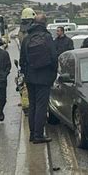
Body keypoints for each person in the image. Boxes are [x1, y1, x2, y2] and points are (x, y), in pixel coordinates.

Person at [20, 14, 57, 144]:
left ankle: (32, 134)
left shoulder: (26, 38)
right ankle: (39, 135)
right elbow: (53, 57)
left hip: (30, 77)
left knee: (33, 105)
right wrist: (53, 74)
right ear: (45, 24)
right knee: (42, 106)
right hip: (44, 76)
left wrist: (26, 73)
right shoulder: (47, 38)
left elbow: (22, 61)